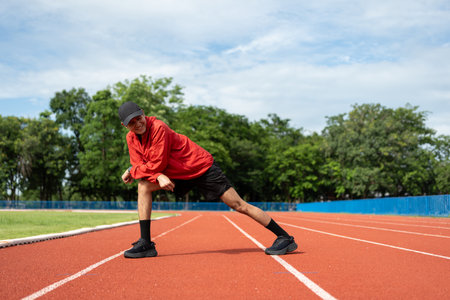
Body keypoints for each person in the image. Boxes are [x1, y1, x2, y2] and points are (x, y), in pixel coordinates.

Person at [118, 101, 297, 258]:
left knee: (238, 205)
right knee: (143, 186)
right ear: (125, 126)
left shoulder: (158, 127)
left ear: (143, 113)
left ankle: (284, 238)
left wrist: (139, 171)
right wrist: (141, 171)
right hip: (177, 173)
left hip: (200, 167)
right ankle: (146, 243)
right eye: (132, 123)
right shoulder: (131, 138)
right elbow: (138, 163)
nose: (138, 124)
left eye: (138, 118)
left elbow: (156, 163)